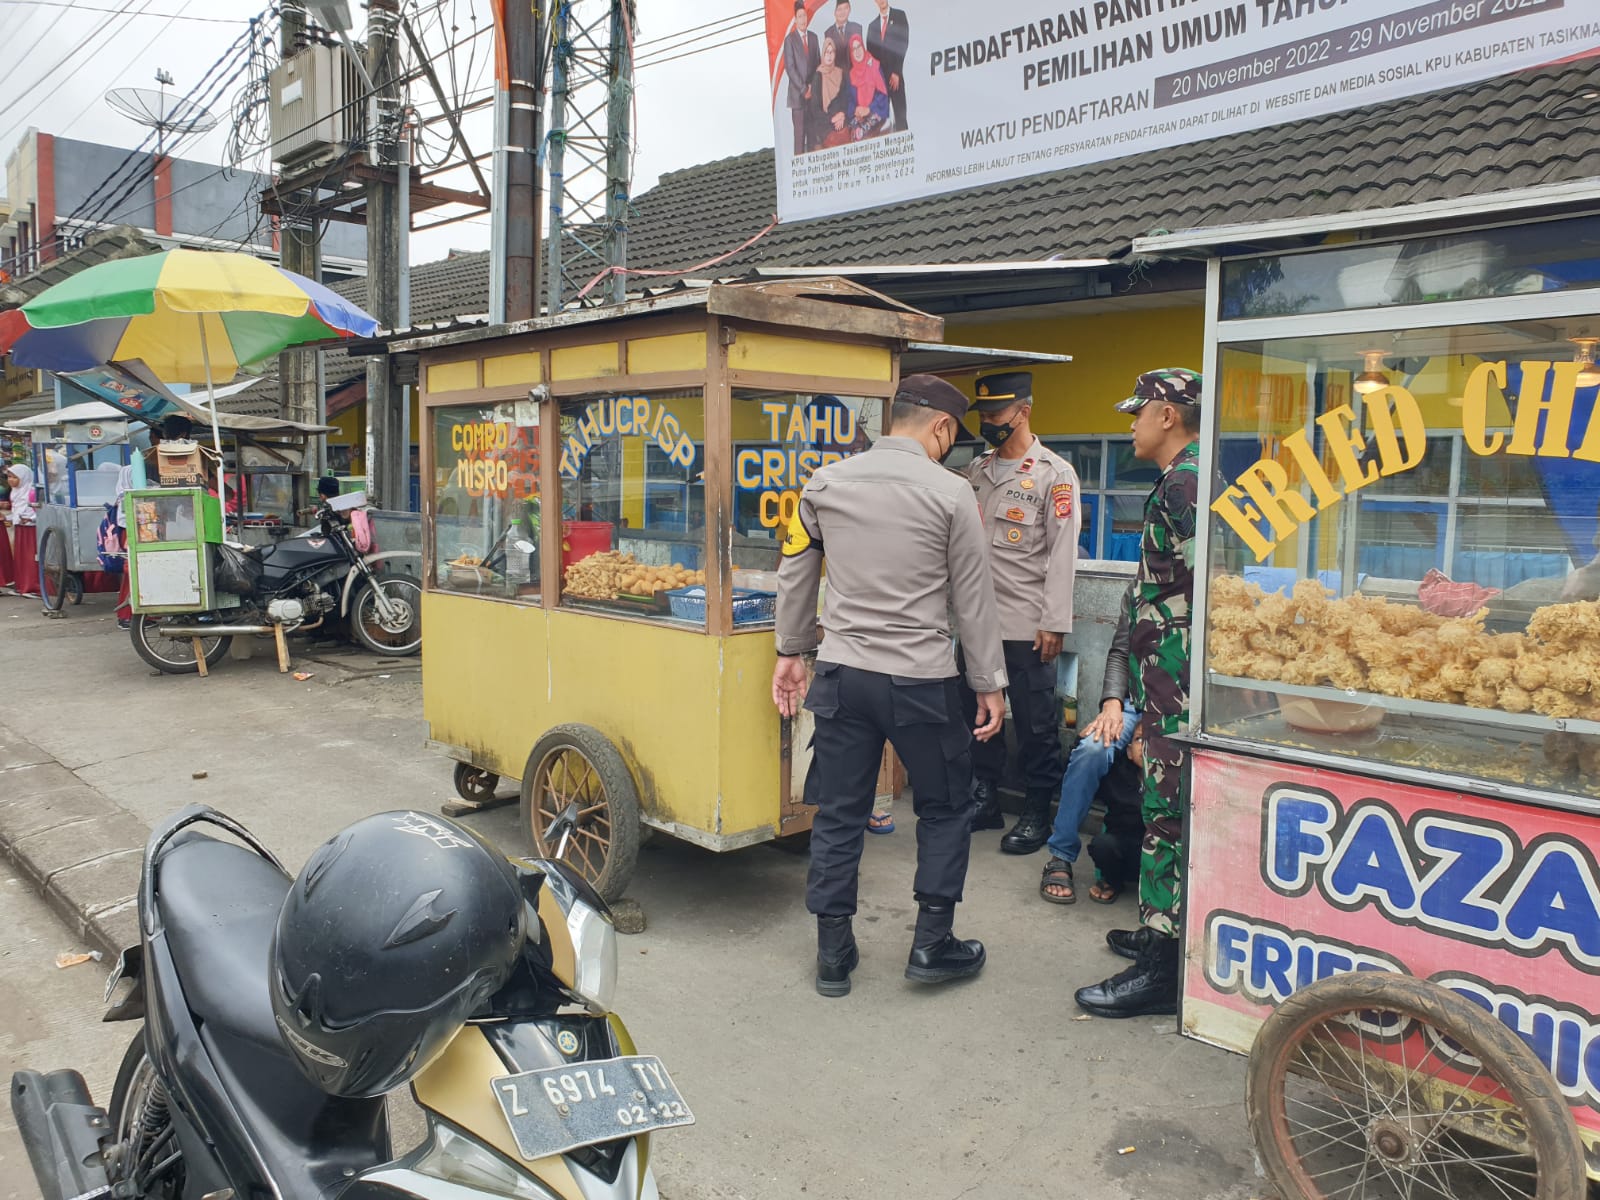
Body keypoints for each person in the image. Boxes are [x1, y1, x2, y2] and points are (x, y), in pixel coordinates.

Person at [773, 374, 1007, 998]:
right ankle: (931, 943)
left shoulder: (825, 483)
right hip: (920, 680)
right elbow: (973, 599)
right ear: (939, 428)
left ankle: (832, 953)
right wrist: (989, 683)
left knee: (840, 812)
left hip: (844, 676)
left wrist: (791, 651)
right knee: (945, 805)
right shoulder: (953, 494)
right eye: (951, 437)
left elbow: (796, 570)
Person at [1075, 368, 1203, 1019]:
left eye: (1137, 413)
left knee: (1166, 825)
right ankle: (1161, 932)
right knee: (1165, 818)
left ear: (1167, 415)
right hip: (1164, 688)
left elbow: (1211, 594)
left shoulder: (1185, 485)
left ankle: (1161, 970)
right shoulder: (1180, 482)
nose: (1130, 425)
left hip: (1178, 692)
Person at [960, 372, 1080, 854]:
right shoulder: (977, 471)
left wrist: (1054, 621)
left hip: (1026, 624)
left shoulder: (1054, 474)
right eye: (984, 416)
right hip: (975, 622)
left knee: (1035, 722)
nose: (988, 423)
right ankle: (985, 796)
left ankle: (1036, 807)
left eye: (996, 415)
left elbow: (1063, 552)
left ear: (1023, 412)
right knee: (976, 714)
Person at [1040, 583, 1139, 903]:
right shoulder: (1142, 584)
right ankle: (1061, 854)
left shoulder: (1212, 584)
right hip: (1135, 703)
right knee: (1092, 748)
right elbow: (1121, 652)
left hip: (1185, 711)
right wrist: (1111, 702)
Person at [1084, 724, 1146, 904]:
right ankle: (1113, 881)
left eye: (1153, 740)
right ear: (1128, 751)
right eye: (1139, 739)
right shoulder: (1116, 776)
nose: (1145, 747)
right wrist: (1082, 739)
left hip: (1157, 856)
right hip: (1127, 854)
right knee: (1103, 845)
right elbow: (1085, 770)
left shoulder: (1171, 781)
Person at [781, 1, 821, 155]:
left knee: (812, 136)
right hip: (798, 97)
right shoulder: (789, 40)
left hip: (812, 96)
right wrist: (804, 89)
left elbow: (818, 64)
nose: (803, 19)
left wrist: (812, 87)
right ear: (795, 19)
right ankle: (800, 175)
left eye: (805, 16)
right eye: (800, 16)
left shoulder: (814, 38)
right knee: (799, 137)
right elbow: (790, 68)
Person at [864, 0, 910, 133]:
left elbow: (903, 43)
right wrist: (877, 80)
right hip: (880, 81)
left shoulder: (899, 16)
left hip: (895, 78)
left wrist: (896, 71)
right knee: (881, 123)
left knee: (901, 119)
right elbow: (870, 54)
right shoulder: (872, 26)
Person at [805, 36, 853, 151]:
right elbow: (815, 109)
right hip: (825, 124)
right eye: (827, 52)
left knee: (849, 140)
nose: (829, 55)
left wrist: (841, 114)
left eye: (832, 52)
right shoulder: (818, 76)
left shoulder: (841, 73)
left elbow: (845, 99)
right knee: (837, 144)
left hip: (842, 120)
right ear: (823, 54)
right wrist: (832, 119)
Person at [846, 35, 889, 139]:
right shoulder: (851, 74)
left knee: (859, 135)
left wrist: (868, 109)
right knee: (849, 132)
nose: (857, 51)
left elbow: (883, 95)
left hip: (876, 111)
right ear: (851, 53)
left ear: (863, 47)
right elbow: (850, 99)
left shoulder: (874, 66)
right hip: (859, 114)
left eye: (859, 46)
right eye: (854, 49)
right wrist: (855, 110)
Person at [822, 0, 862, 72]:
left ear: (849, 9)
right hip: (837, 77)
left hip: (856, 75)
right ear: (834, 12)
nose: (842, 12)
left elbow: (861, 54)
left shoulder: (857, 28)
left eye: (845, 8)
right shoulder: (828, 33)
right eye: (839, 9)